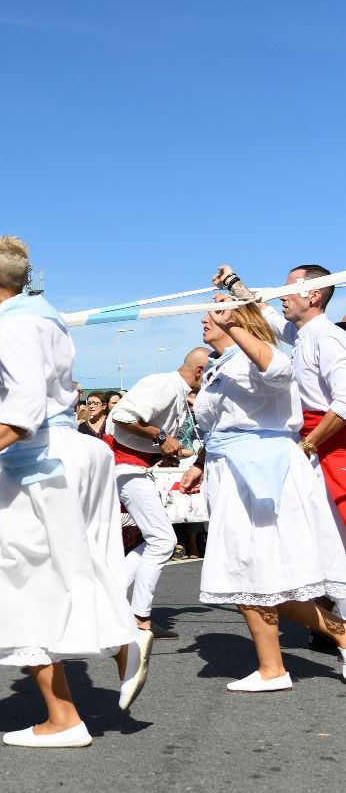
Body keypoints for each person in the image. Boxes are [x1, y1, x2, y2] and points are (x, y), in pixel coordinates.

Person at [0, 236, 140, 748]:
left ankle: (70, 710)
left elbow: (22, 408)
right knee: (55, 573)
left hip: (36, 460)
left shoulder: (14, 327)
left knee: (15, 581)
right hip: (63, 453)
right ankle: (110, 654)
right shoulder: (38, 317)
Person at [180, 297, 346, 691]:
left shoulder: (257, 355)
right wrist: (200, 464)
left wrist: (236, 324)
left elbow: (278, 369)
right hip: (231, 471)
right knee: (247, 572)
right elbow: (219, 425)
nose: (205, 319)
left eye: (215, 315)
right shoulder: (219, 365)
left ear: (238, 321)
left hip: (262, 472)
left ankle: (322, 644)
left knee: (254, 569)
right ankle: (276, 666)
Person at [216, 264, 346, 532]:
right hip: (313, 446)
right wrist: (232, 282)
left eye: (289, 290)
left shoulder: (329, 337)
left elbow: (345, 402)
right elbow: (264, 313)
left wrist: (307, 447)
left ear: (313, 296)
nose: (281, 296)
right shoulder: (300, 333)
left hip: (332, 449)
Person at [106, 349, 210, 640]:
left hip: (132, 467)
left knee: (158, 540)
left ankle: (112, 601)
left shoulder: (175, 389)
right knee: (162, 541)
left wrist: (160, 451)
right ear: (200, 371)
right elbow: (122, 418)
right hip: (126, 468)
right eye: (211, 376)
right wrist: (161, 438)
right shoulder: (164, 384)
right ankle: (138, 617)